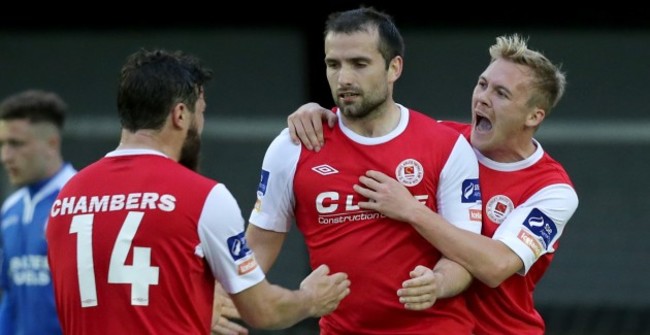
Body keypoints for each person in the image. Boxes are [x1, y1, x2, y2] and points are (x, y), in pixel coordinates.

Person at [287, 34, 579, 335]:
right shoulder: (442, 142)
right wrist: (324, 117)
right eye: (482, 84)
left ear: (534, 116)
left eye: (501, 94)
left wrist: (412, 210)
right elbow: (369, 135)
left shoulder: (552, 190)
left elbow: (495, 267)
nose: (482, 98)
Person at [45, 48, 350, 335]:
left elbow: (117, 296)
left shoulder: (67, 197)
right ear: (180, 114)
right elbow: (263, 310)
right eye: (200, 111)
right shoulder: (201, 196)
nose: (200, 124)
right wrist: (309, 299)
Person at [246, 7, 482, 335]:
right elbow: (257, 248)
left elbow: (466, 251)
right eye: (333, 64)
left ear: (393, 67)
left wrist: (439, 282)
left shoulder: (446, 145)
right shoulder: (294, 145)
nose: (343, 78)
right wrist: (217, 304)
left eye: (359, 64)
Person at [0, 89, 75, 335]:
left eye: (16, 144)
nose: (5, 156)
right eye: (2, 144)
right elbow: (10, 296)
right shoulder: (11, 208)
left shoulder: (81, 203)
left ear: (51, 144)